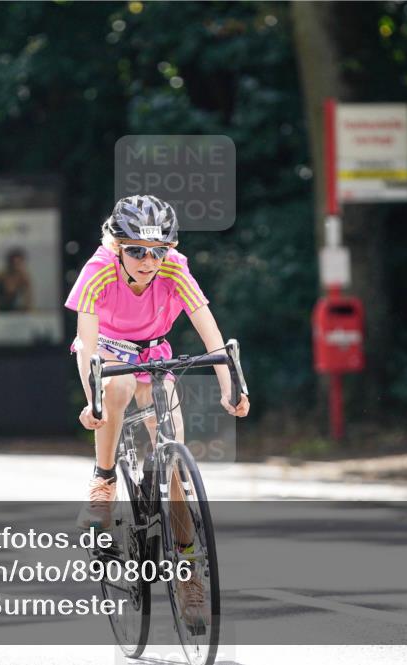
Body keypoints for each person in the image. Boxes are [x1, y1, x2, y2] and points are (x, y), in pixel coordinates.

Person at [65, 194, 250, 629]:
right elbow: (87, 347)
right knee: (122, 384)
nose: (149, 261)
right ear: (116, 245)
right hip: (109, 353)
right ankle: (104, 478)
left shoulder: (173, 267)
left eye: (158, 250)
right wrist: (91, 397)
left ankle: (187, 570)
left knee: (174, 462)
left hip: (155, 353)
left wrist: (230, 386)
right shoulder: (97, 270)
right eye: (137, 251)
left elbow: (209, 330)